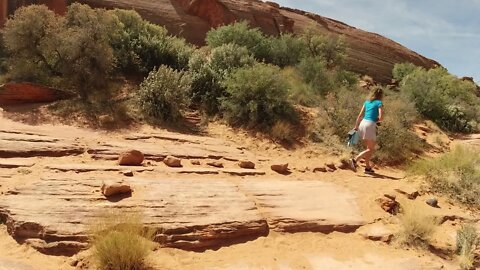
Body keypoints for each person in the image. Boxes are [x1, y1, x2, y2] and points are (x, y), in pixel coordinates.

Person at [350, 88, 384, 174]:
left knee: (368, 148)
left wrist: (356, 126)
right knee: (371, 149)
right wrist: (377, 121)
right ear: (380, 95)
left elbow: (360, 115)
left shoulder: (367, 102)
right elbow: (381, 117)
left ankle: (367, 167)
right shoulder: (379, 103)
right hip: (370, 125)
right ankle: (354, 160)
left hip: (362, 123)